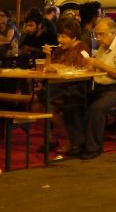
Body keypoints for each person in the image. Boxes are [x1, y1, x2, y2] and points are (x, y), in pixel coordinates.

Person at [63, 18, 116, 159]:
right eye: (96, 34)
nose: (98, 38)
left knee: (96, 108)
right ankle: (78, 143)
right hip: (100, 87)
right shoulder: (103, 47)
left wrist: (99, 64)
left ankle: (93, 148)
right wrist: (90, 65)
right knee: (71, 103)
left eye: (101, 34)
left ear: (113, 32)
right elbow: (98, 69)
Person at [37, 18, 91, 153]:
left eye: (64, 36)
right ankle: (52, 140)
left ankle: (73, 140)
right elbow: (50, 67)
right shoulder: (59, 50)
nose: (60, 40)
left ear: (74, 37)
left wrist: (58, 67)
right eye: (58, 36)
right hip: (59, 86)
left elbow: (81, 68)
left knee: (46, 101)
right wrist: (48, 56)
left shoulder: (82, 48)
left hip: (76, 87)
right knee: (40, 104)